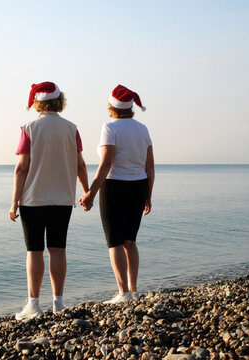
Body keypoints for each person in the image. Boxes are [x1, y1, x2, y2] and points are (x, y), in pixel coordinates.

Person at [9, 81, 89, 320]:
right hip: (63, 198)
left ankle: (33, 305)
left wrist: (14, 202)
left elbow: (21, 168)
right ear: (58, 101)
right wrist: (86, 192)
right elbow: (80, 164)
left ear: (37, 102)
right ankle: (59, 302)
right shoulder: (71, 128)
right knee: (58, 249)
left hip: (33, 199)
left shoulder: (29, 128)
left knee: (34, 251)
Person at [80, 84, 154, 304]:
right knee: (130, 241)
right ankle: (133, 290)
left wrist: (91, 193)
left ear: (111, 106)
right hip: (139, 185)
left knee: (114, 242)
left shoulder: (110, 128)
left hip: (115, 187)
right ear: (130, 107)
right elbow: (149, 166)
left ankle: (123, 293)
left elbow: (106, 164)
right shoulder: (142, 129)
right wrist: (148, 195)